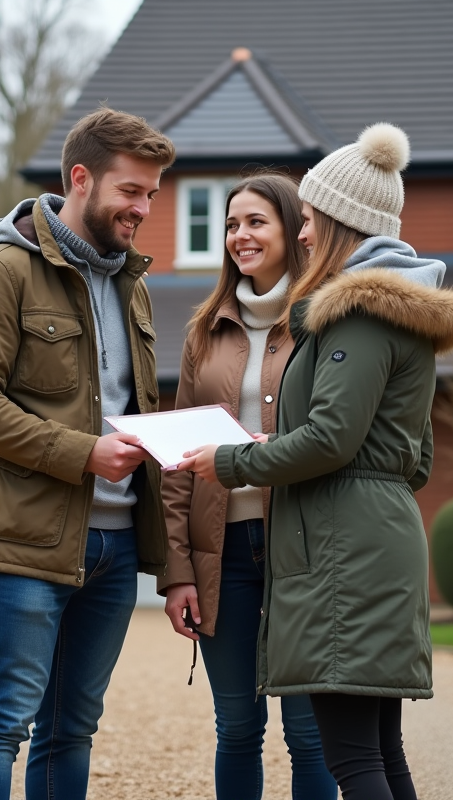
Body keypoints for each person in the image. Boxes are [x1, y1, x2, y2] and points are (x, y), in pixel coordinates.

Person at [177, 123, 453, 800]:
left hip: (345, 554)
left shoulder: (358, 314)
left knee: (351, 760)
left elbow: (330, 440)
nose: (304, 233)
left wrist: (234, 462)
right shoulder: (400, 311)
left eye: (310, 218)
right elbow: (417, 457)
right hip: (375, 537)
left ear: (342, 223)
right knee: (381, 754)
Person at [0, 107, 175, 800]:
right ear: (81, 177)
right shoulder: (0, 272)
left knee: (71, 730)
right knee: (0, 724)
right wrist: (82, 453)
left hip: (114, 551)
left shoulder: (130, 285)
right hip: (23, 543)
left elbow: (131, 410)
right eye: (131, 191)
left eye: (152, 196)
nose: (143, 209)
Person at [158, 172, 336, 799]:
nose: (239, 236)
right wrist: (177, 570)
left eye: (256, 222)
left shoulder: (325, 321)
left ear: (294, 229)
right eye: (231, 224)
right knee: (237, 726)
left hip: (303, 551)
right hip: (223, 554)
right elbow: (176, 463)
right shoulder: (204, 331)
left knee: (310, 733)